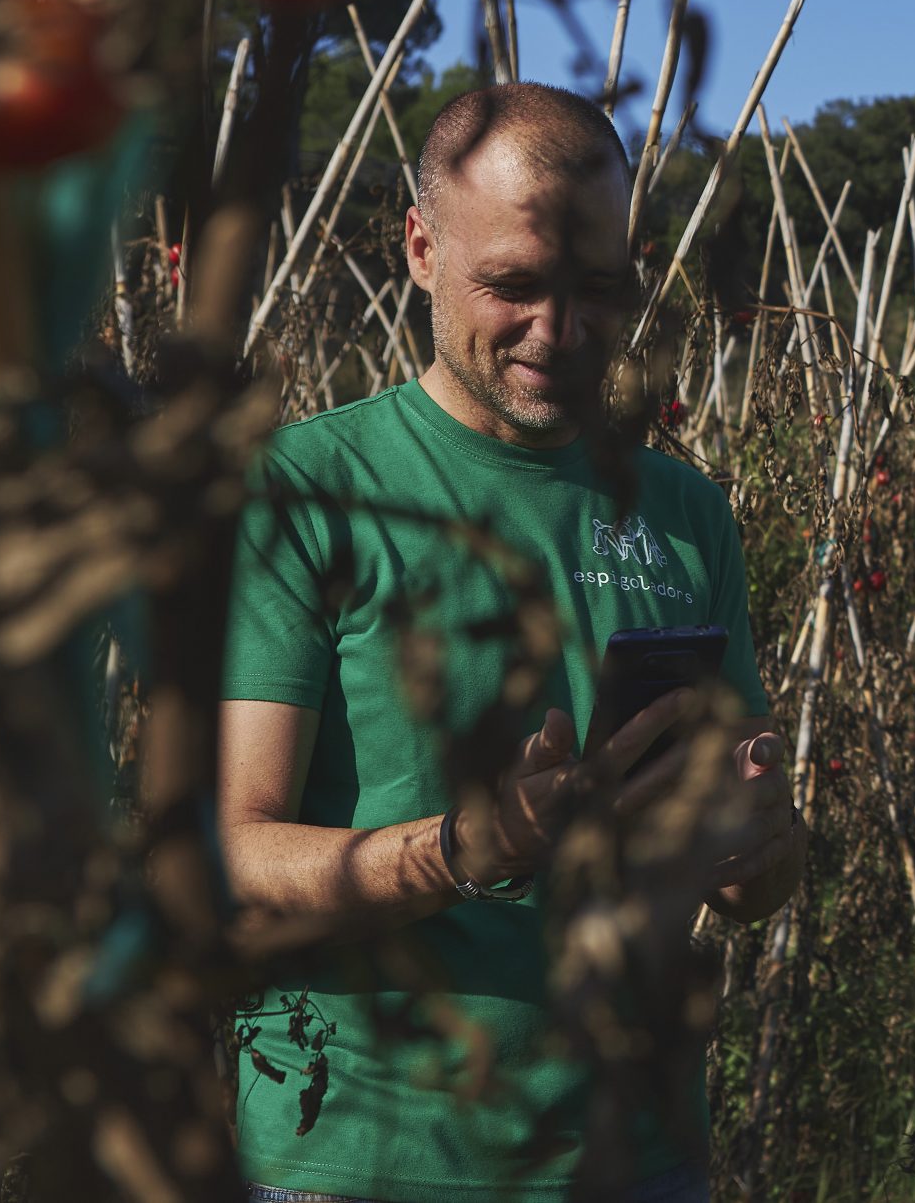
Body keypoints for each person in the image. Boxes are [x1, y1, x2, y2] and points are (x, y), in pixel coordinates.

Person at [218, 82, 804, 1203]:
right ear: (422, 250)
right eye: (515, 286)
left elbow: (751, 886)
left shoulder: (683, 513)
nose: (560, 332)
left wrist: (760, 841)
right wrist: (464, 850)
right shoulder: (305, 491)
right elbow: (227, 858)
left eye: (594, 289)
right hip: (362, 1162)